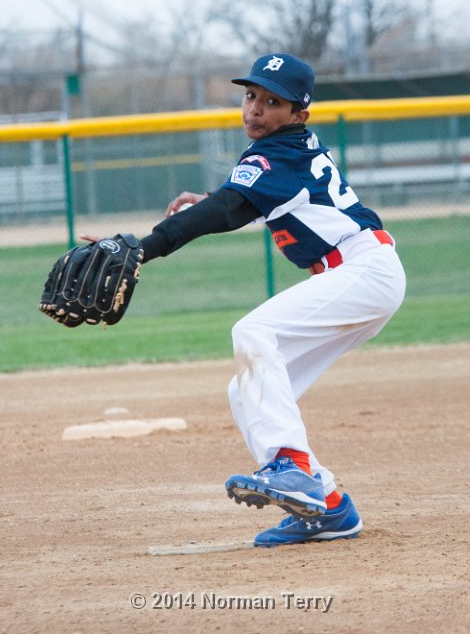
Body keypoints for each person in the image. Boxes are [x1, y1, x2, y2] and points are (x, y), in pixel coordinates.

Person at [85, 53, 406, 547]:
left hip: (363, 271)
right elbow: (247, 202)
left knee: (253, 332)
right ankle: (328, 506)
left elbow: (228, 208)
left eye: (273, 102)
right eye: (251, 95)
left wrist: (143, 249)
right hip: (362, 274)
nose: (255, 108)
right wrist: (215, 199)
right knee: (245, 390)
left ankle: (291, 468)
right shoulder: (288, 149)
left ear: (299, 113)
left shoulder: (275, 155)